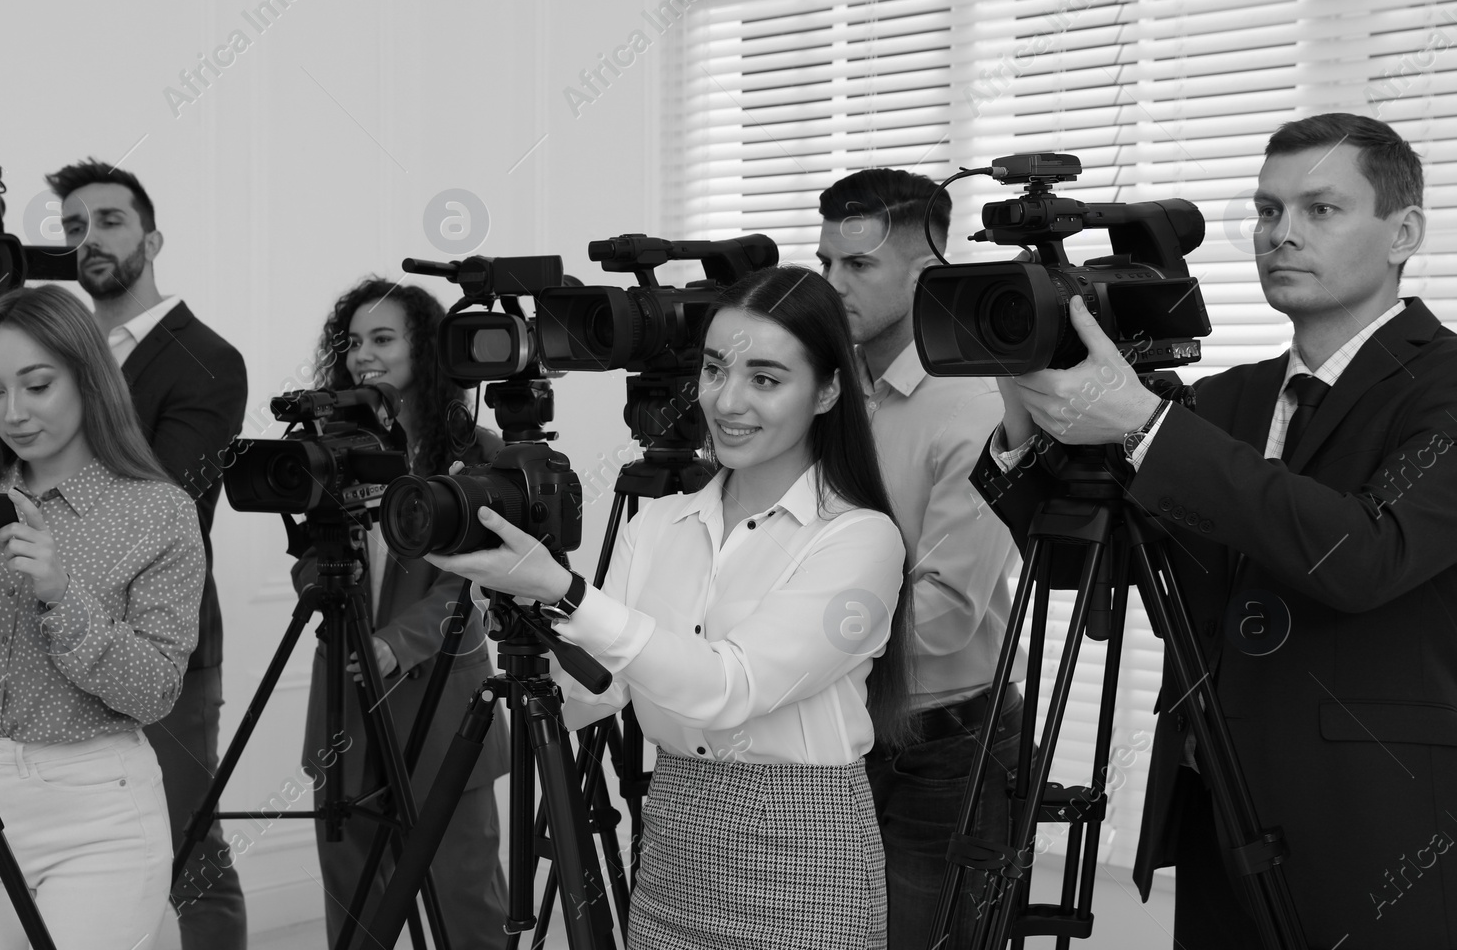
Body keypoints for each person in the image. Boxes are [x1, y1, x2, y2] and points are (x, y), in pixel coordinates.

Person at [978, 112, 1457, 946]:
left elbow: (1364, 556)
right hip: (1214, 816)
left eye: (1320, 210)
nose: (1282, 235)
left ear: (1402, 232)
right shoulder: (1228, 400)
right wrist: (1025, 403)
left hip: (1377, 827)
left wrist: (1140, 421)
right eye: (1268, 213)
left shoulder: (1442, 387)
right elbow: (1090, 574)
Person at [427, 266, 910, 950]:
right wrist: (517, 612)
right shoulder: (658, 523)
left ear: (828, 390)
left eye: (765, 379)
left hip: (805, 841)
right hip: (676, 827)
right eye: (715, 370)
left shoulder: (860, 539)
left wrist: (565, 592)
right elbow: (589, 695)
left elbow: (729, 687)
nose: (728, 401)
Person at [0, 284, 203, 949]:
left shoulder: (158, 512)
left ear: (89, 378)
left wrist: (62, 594)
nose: (14, 412)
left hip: (98, 810)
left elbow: (155, 692)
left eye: (37, 385)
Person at [815, 168, 1024, 947]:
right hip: (839, 733)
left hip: (943, 756)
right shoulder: (831, 391)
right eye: (826, 262)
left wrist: (787, 652)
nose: (832, 285)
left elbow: (943, 613)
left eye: (858, 266)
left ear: (926, 273)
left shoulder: (976, 404)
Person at [45, 158, 249, 948]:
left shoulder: (206, 358)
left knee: (187, 852)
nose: (88, 238)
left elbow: (162, 506)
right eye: (72, 226)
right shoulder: (56, 356)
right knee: (75, 849)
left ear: (152, 237)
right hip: (53, 629)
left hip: (161, 638)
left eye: (108, 220)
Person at [291, 277, 509, 948]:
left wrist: (395, 643)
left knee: (464, 899)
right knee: (356, 908)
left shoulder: (480, 453)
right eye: (353, 342)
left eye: (382, 339)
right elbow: (310, 560)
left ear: (426, 350)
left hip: (445, 706)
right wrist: (333, 603)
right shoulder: (328, 448)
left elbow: (474, 581)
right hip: (348, 703)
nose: (363, 356)